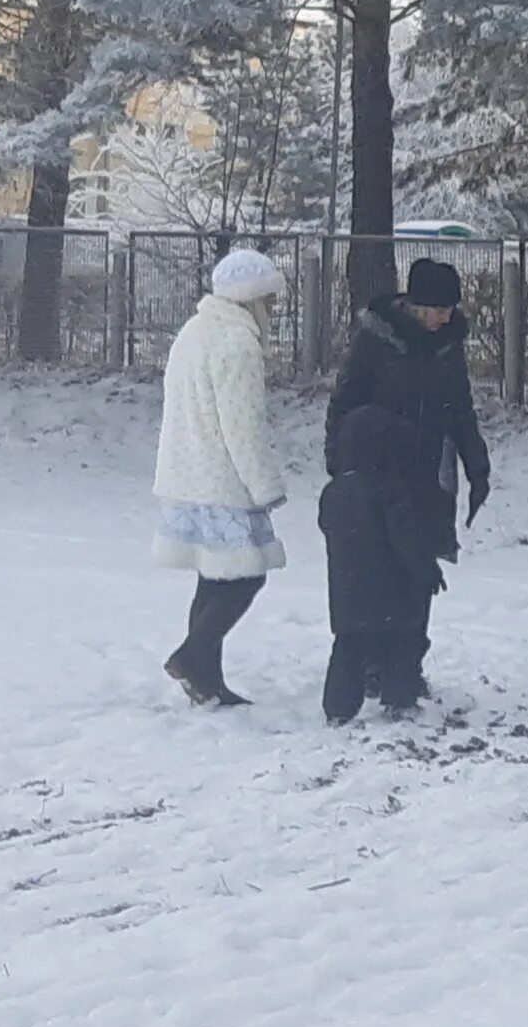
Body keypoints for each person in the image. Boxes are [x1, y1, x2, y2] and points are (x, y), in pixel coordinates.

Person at [325, 257, 493, 664]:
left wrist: (477, 465)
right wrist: (340, 464)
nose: (442, 317)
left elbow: (460, 406)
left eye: (448, 310)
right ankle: (371, 659)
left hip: (431, 470)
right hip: (379, 472)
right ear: (414, 305)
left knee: (421, 566)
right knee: (381, 564)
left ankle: (408, 662)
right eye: (435, 310)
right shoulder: (375, 340)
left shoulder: (449, 344)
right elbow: (344, 403)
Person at [155, 247, 290, 706]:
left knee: (212, 579)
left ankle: (206, 683)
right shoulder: (238, 343)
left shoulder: (194, 331)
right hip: (224, 480)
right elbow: (243, 424)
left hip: (186, 474)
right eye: (269, 300)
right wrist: (265, 486)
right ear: (251, 300)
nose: (274, 310)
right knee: (247, 576)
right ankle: (192, 658)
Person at [319, 402, 443, 722]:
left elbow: (327, 527)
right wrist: (427, 570)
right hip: (393, 591)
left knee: (347, 649)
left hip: (347, 590)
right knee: (399, 645)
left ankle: (338, 708)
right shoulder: (390, 490)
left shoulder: (333, 492)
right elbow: (406, 540)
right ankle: (399, 698)